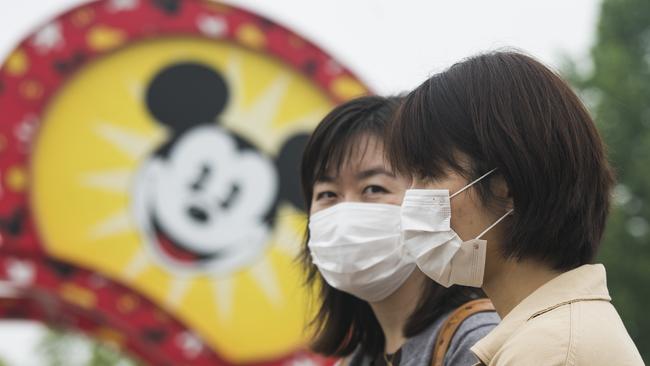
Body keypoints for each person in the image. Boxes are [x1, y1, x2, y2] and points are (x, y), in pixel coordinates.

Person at [387, 51, 644, 365]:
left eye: (428, 175)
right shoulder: (546, 335)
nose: (409, 199)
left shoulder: (551, 349)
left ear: (506, 186)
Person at [299, 95, 500, 366]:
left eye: (373, 189)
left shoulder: (478, 343)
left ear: (428, 196)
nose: (346, 215)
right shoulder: (355, 359)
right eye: (327, 194)